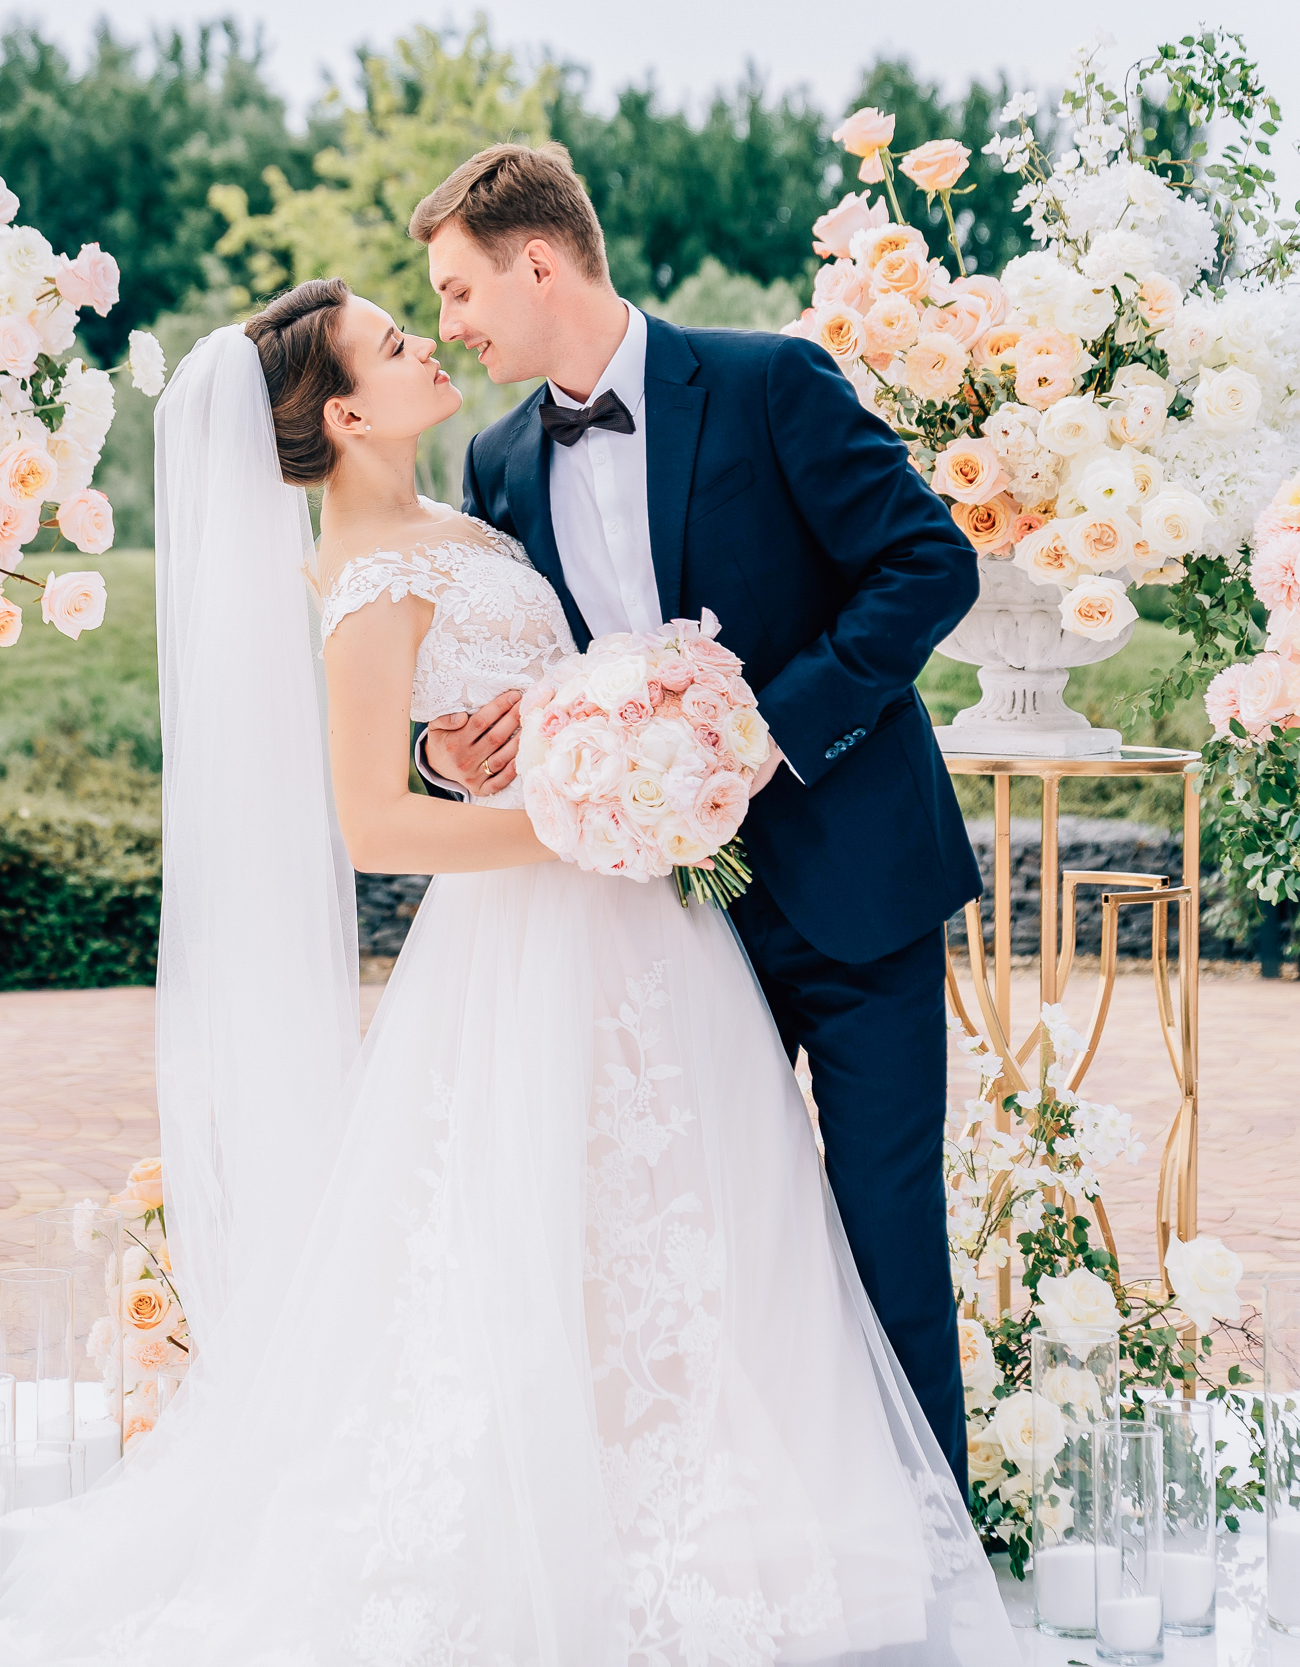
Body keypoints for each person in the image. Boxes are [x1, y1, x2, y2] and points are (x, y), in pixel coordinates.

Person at [0, 269, 1013, 1664]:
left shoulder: (477, 495)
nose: (433, 337)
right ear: (343, 410)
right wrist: (582, 816)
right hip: (545, 926)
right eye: (399, 337)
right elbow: (373, 824)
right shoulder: (363, 576)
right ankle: (572, 1526)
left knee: (703, 1222)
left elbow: (535, 684)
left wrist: (523, 755)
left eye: (439, 305)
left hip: (659, 920)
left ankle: (781, 1507)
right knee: (544, 1233)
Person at [412, 143, 984, 1484]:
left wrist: (760, 731)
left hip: (853, 884)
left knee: (885, 1225)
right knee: (703, 1239)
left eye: (456, 291)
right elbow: (502, 682)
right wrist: (453, 752)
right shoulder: (498, 462)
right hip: (664, 921)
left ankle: (931, 1547)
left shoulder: (766, 380)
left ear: (537, 262)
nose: (450, 325)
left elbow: (927, 564)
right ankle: (757, 1538)